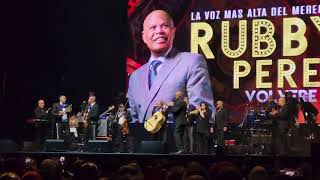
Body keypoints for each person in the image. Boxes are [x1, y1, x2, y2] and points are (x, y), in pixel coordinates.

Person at [126, 10, 214, 125]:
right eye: (153, 27)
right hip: (142, 141)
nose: (159, 31)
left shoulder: (192, 62)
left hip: (179, 141)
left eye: (165, 26)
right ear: (144, 36)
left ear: (173, 32)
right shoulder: (135, 76)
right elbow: (132, 117)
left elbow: (203, 115)